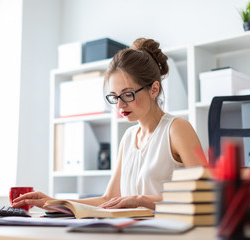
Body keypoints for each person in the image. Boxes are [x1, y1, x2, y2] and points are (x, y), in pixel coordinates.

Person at [12, 38, 203, 211]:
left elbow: (205, 194)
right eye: (114, 97)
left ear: (154, 89)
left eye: (128, 94)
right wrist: (52, 202)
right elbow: (109, 199)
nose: (120, 105)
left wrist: (141, 200)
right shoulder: (128, 137)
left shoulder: (177, 129)